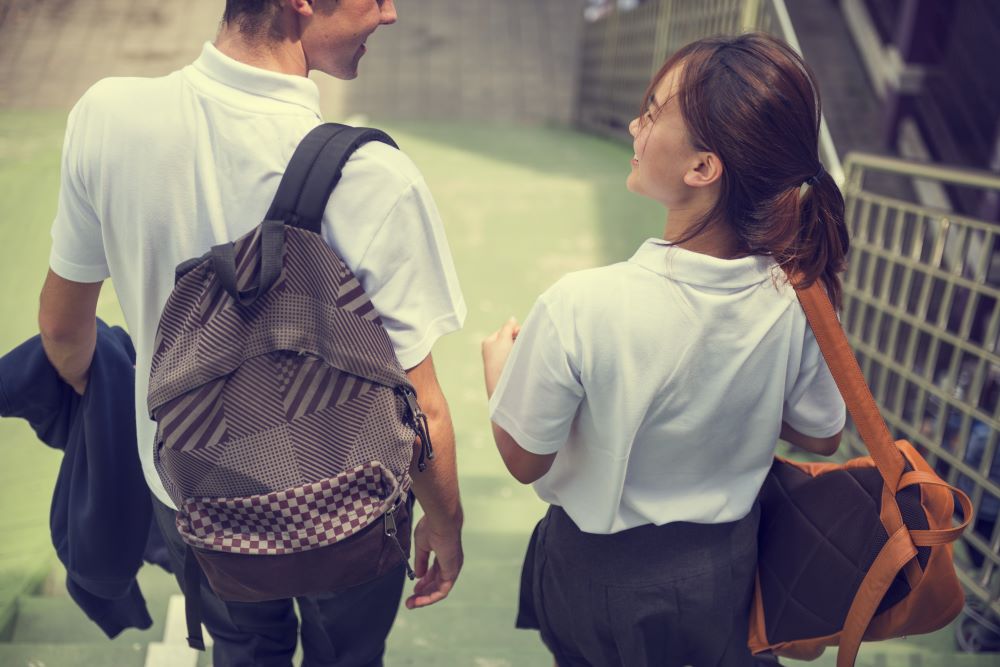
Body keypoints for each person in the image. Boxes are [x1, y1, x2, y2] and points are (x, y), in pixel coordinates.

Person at [37, 1, 466, 665]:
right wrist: (446, 523)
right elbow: (424, 407)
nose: (391, 13)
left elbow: (64, 333)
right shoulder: (373, 177)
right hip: (349, 505)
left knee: (242, 647)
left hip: (194, 496)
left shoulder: (106, 116)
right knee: (346, 653)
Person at [482, 33, 849, 667]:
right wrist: (731, 395)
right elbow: (823, 434)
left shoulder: (583, 303)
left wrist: (501, 377)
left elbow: (524, 460)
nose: (634, 124)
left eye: (653, 114)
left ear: (703, 167)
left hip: (595, 574)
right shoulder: (794, 295)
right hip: (726, 569)